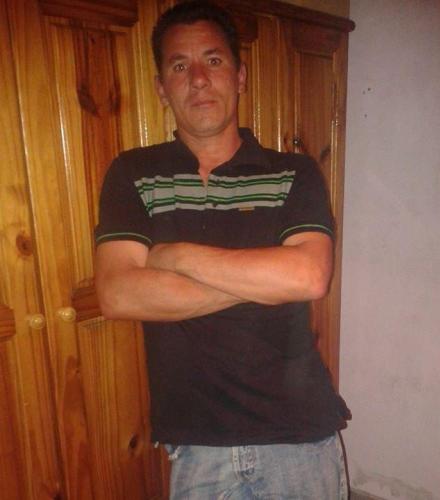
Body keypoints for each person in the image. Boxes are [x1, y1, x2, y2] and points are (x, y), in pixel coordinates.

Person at [95, 1, 351, 498]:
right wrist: (264, 280)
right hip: (197, 446)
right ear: (161, 87)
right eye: (179, 66)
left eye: (213, 61)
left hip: (299, 436)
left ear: (239, 76)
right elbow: (118, 294)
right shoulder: (133, 174)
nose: (198, 79)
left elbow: (308, 277)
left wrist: (175, 257)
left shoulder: (293, 173)